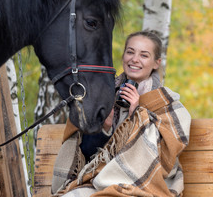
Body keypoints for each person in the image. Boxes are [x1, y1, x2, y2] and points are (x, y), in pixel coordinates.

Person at [51, 31, 191, 197]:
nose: (134, 59)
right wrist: (105, 126)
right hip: (101, 180)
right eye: (130, 52)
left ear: (156, 63)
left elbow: (164, 158)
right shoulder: (104, 95)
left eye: (144, 55)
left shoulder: (166, 103)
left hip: (147, 184)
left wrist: (137, 114)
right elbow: (87, 155)